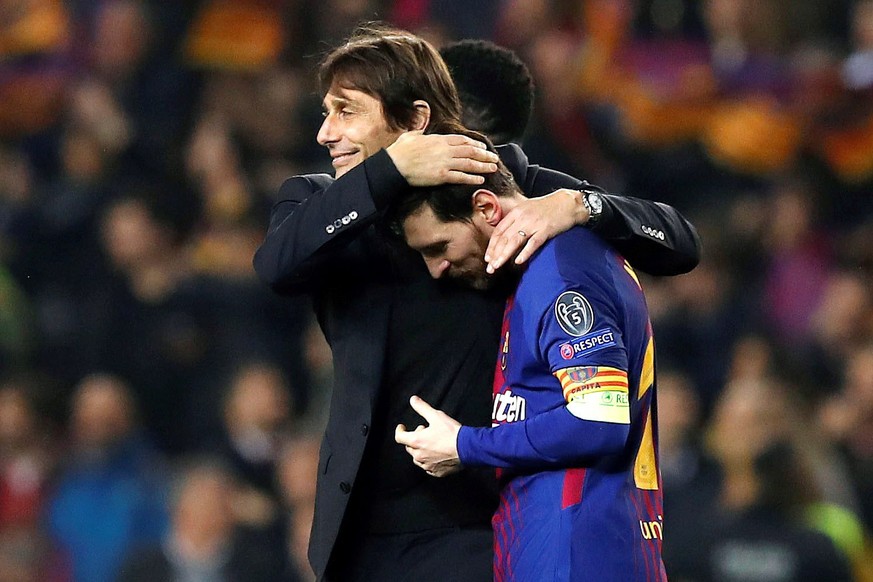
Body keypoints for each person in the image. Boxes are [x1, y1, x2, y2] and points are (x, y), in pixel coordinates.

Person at [253, 24, 699, 582]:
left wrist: (581, 205)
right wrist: (389, 173)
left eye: (346, 111)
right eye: (326, 112)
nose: (325, 133)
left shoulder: (508, 188)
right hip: (360, 534)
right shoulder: (320, 201)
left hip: (474, 523)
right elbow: (275, 266)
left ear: (415, 119)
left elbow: (680, 242)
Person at [390, 129, 665, 580]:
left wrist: (465, 444)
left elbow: (600, 417)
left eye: (439, 247)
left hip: (576, 551)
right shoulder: (540, 271)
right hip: (559, 544)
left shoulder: (561, 269)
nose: (436, 270)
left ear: (485, 208)